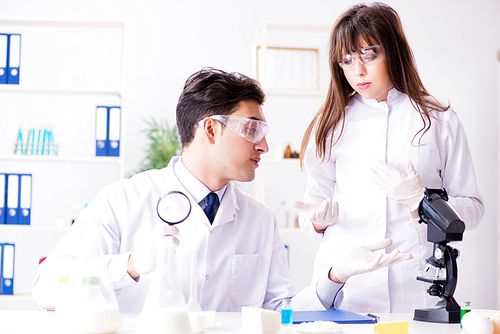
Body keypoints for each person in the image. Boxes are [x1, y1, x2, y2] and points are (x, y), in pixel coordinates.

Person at [32, 67, 411, 313]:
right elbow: (46, 287)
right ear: (210, 129)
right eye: (252, 130)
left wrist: (334, 276)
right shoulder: (122, 201)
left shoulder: (259, 220)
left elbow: (281, 312)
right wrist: (129, 266)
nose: (263, 146)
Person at [291, 2, 485, 314]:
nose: (358, 71)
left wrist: (422, 204)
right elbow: (311, 206)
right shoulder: (331, 123)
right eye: (347, 60)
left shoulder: (438, 119)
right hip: (347, 290)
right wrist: (315, 221)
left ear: (393, 51)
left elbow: (472, 209)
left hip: (416, 290)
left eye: (370, 55)